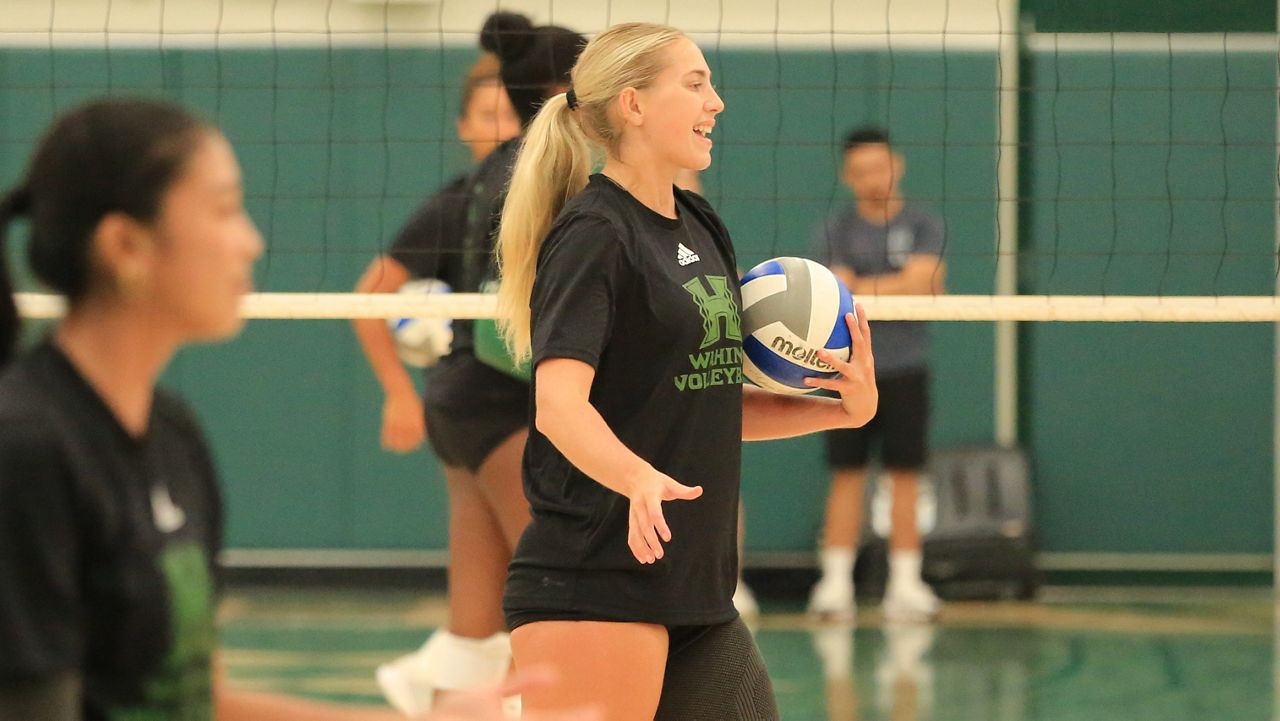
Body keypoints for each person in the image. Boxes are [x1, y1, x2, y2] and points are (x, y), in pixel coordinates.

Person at [0, 97, 594, 721]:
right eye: (226, 210)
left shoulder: (172, 434)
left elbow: (197, 701)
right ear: (125, 245)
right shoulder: (28, 451)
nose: (251, 241)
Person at [494, 22, 880, 719]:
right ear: (634, 105)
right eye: (696, 84)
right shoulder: (594, 234)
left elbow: (708, 404)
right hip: (596, 578)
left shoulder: (699, 222)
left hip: (693, 588)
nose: (717, 102)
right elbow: (559, 403)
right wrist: (636, 474)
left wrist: (838, 409)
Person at [353, 12, 585, 716]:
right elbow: (371, 295)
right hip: (496, 401)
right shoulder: (537, 175)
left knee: (477, 621)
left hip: (463, 404)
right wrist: (396, 392)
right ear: (560, 91)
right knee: (560, 594)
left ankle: (452, 702)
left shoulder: (490, 177)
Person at [807, 126, 947, 623]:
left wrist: (866, 288)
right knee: (846, 476)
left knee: (905, 477)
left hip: (906, 367)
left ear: (898, 164)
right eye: (863, 171)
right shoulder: (834, 229)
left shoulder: (925, 223)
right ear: (848, 176)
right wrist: (896, 286)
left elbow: (927, 286)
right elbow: (837, 293)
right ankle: (835, 586)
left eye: (881, 166)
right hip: (848, 370)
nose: (875, 179)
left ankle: (906, 586)